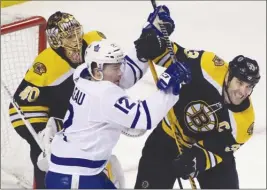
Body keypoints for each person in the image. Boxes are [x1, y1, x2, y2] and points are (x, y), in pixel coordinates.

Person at [133, 5, 261, 189]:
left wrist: (196, 161)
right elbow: (172, 57)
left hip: (208, 152)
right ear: (228, 76)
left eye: (249, 87)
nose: (243, 91)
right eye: (240, 83)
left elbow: (217, 152)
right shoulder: (208, 66)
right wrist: (154, 44)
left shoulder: (244, 122)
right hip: (170, 135)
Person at [44, 37, 190, 189]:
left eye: (119, 66)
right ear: (97, 69)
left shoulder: (84, 75)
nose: (120, 72)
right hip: (75, 179)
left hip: (74, 171)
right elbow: (143, 118)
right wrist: (170, 89)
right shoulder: (103, 94)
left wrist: (145, 44)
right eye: (115, 68)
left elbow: (125, 75)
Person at [8, 11, 108, 189]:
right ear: (57, 41)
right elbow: (21, 107)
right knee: (45, 156)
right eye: (69, 37)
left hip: (67, 108)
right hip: (38, 115)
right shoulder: (47, 64)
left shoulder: (95, 42)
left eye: (78, 32)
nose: (77, 40)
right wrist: (44, 134)